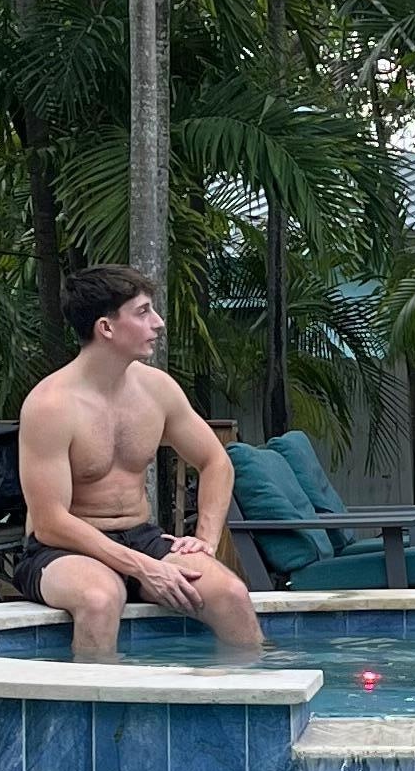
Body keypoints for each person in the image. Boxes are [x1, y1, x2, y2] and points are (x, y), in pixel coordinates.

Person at [14, 267, 265, 663]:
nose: (158, 323)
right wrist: (144, 569)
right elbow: (50, 523)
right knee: (100, 599)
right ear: (106, 327)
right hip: (63, 550)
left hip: (141, 537)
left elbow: (215, 460)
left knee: (231, 594)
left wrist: (205, 540)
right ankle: (98, 702)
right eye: (143, 312)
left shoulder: (157, 389)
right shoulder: (51, 406)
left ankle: (251, 695)